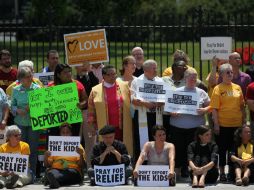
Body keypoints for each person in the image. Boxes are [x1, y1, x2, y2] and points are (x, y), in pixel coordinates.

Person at [168, 68, 210, 178]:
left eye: (195, 78)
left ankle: (189, 169)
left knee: (191, 150)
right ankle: (176, 169)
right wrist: (171, 112)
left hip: (195, 128)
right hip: (177, 127)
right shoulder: (177, 91)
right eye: (191, 78)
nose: (193, 80)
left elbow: (211, 106)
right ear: (185, 78)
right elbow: (168, 108)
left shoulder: (201, 93)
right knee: (179, 148)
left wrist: (205, 110)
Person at [210, 63, 246, 182]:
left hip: (236, 124)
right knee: (222, 149)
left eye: (231, 72)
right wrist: (216, 124)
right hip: (223, 125)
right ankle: (222, 173)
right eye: (228, 72)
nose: (231, 74)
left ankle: (232, 172)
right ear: (221, 75)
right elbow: (214, 108)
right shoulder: (217, 88)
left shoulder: (237, 87)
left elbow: (242, 106)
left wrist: (244, 121)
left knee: (234, 150)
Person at [88, 65, 133, 156]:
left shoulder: (124, 86)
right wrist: (92, 125)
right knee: (107, 151)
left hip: (121, 127)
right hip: (105, 129)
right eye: (110, 74)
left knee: (122, 150)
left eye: (114, 74)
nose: (113, 77)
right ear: (103, 76)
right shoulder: (95, 90)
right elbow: (91, 109)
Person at [131, 59, 164, 161]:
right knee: (141, 140)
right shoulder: (137, 81)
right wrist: (146, 104)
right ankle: (142, 166)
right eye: (154, 68)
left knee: (157, 138)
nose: (156, 70)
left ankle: (156, 163)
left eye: (156, 68)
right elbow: (133, 99)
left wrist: (159, 103)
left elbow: (165, 98)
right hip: (142, 114)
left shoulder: (160, 81)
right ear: (146, 70)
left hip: (156, 115)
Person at [11, 66, 40, 177]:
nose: (30, 78)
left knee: (32, 149)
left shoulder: (37, 88)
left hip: (33, 123)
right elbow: (11, 105)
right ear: (21, 79)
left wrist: (32, 107)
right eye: (28, 77)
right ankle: (20, 174)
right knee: (20, 148)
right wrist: (17, 110)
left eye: (31, 76)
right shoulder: (16, 90)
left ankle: (31, 174)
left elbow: (42, 106)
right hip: (20, 123)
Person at [48, 63, 87, 136]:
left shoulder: (77, 84)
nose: (68, 74)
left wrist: (81, 105)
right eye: (65, 72)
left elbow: (85, 100)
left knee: (73, 143)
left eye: (69, 71)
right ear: (58, 75)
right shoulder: (51, 87)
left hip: (73, 120)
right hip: (56, 121)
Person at [44, 123, 85, 189]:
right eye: (63, 132)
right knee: (51, 172)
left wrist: (81, 155)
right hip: (56, 169)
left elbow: (81, 165)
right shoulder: (54, 145)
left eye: (67, 132)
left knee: (71, 173)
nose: (65, 134)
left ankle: (54, 181)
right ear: (60, 134)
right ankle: (55, 180)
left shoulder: (78, 146)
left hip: (73, 170)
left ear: (71, 133)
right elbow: (47, 165)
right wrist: (45, 157)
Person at [76, 62, 98, 169]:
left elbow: (96, 88)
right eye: (81, 64)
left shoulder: (92, 78)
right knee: (76, 140)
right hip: (75, 113)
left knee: (90, 141)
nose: (84, 66)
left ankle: (90, 166)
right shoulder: (72, 80)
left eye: (86, 64)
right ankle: (76, 165)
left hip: (88, 112)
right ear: (75, 67)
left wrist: (89, 71)